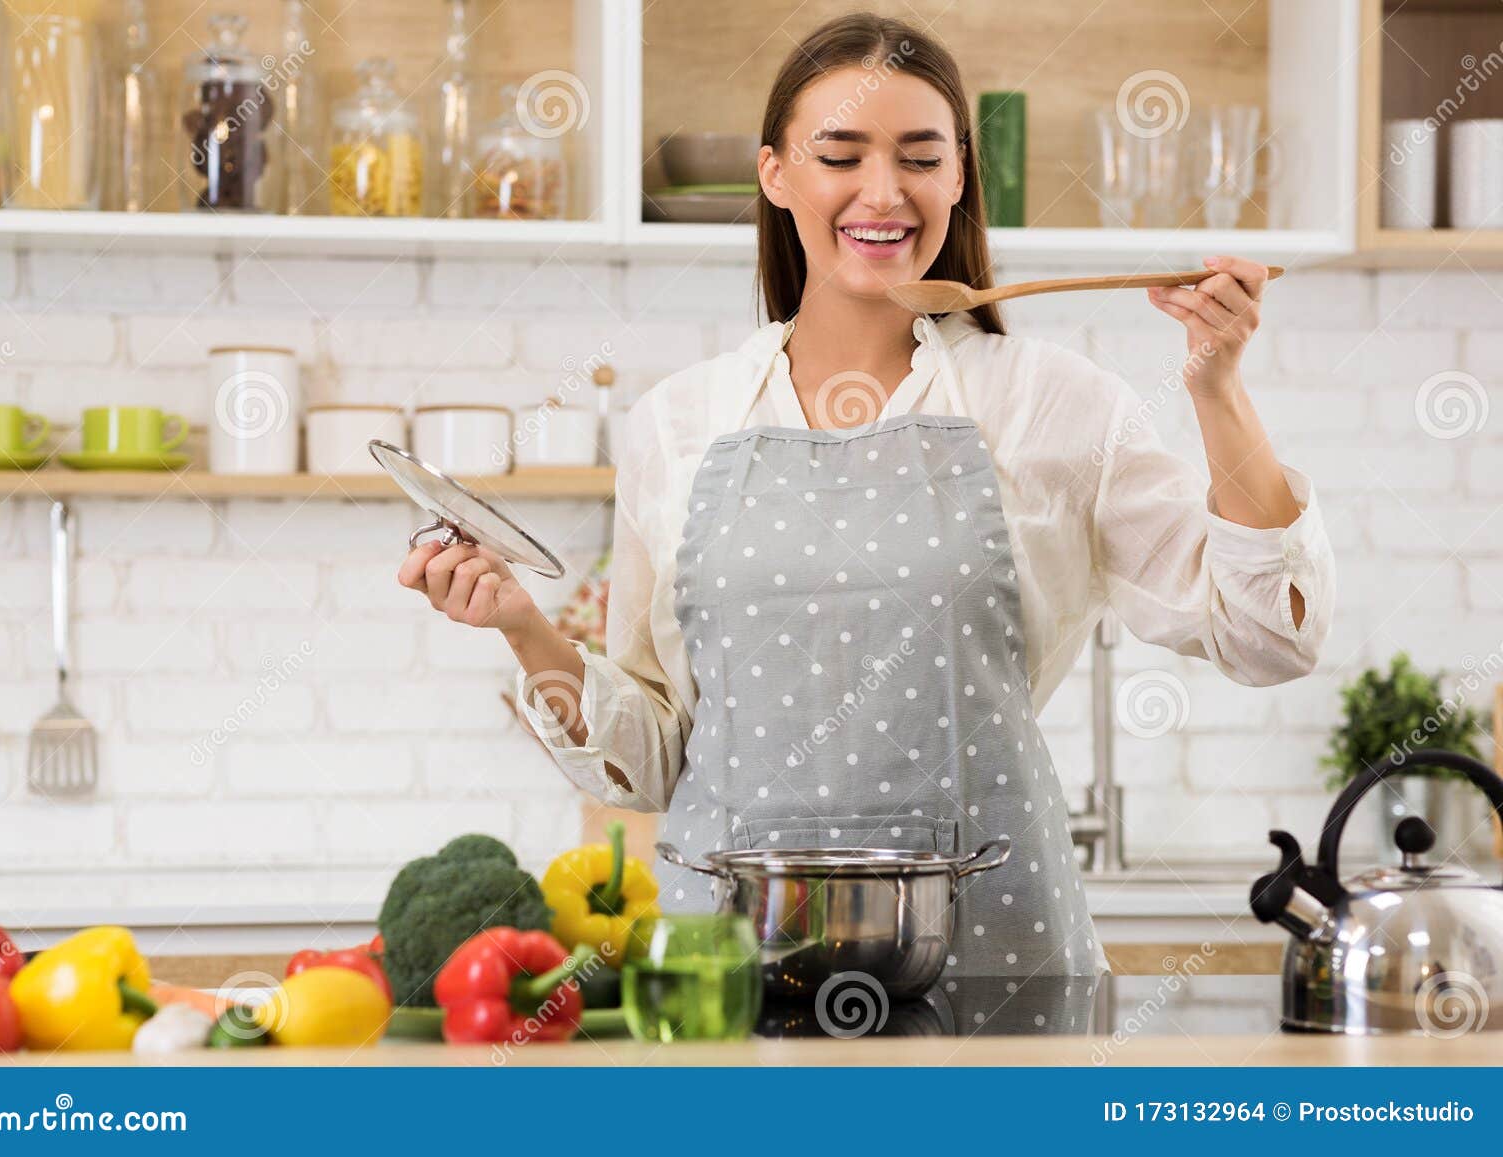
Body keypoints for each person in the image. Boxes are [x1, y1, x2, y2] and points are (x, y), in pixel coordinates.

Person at [397, 12, 1335, 979]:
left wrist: (1216, 387)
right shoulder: (679, 423)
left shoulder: (1053, 404)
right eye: (840, 154)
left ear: (960, 175)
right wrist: (523, 626)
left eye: (920, 158)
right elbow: (656, 755)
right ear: (775, 174)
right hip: (731, 973)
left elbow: (1273, 633)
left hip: (992, 964)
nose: (882, 193)